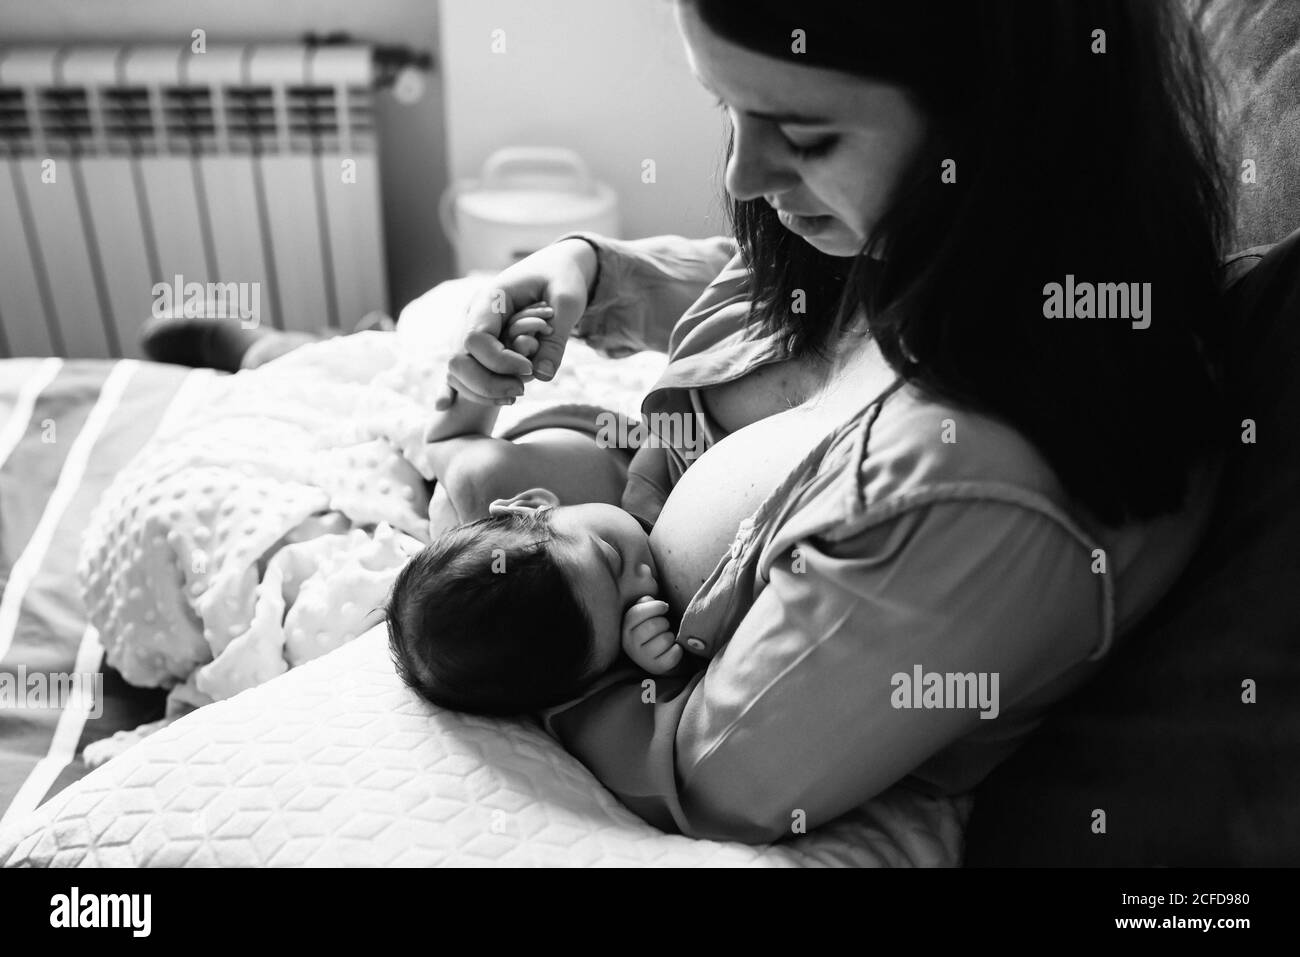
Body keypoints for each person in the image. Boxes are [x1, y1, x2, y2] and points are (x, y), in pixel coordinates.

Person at [431, 0, 1233, 843]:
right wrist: (598, 272)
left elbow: (718, 774)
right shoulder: (929, 239)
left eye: (806, 138)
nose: (740, 175)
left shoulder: (978, 496)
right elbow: (783, 304)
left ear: (1004, 114)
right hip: (625, 477)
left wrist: (540, 649)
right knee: (476, 475)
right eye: (724, 107)